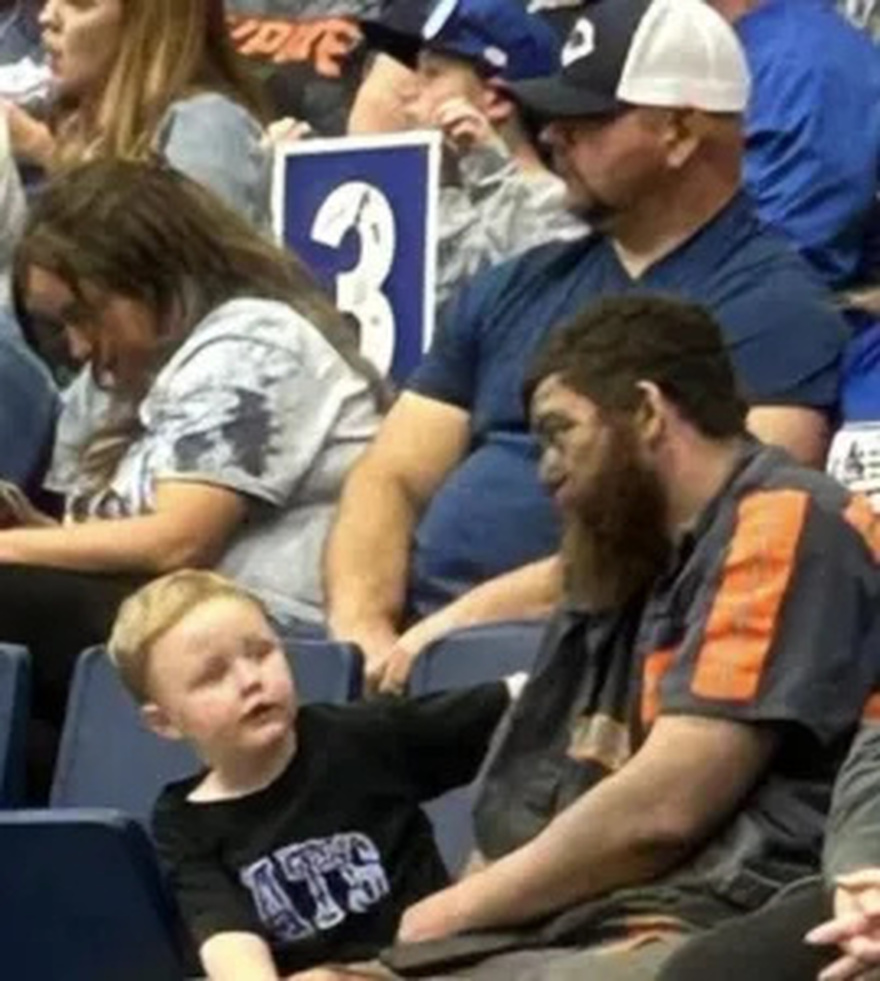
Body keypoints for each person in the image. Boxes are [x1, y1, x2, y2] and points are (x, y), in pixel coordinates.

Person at [349, 292, 880, 981]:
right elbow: (531, 790)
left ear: (649, 413)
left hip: (721, 909)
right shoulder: (625, 559)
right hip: (592, 915)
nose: (545, 468)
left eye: (558, 432)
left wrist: (449, 913)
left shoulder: (785, 520)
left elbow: (666, 807)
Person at [324, 0, 851, 693]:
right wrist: (362, 630)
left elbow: (708, 532)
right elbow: (389, 474)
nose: (554, 140)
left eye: (586, 123)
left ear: (680, 131)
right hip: (419, 653)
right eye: (550, 119)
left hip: (592, 662)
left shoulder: (776, 309)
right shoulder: (517, 283)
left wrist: (452, 631)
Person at [3, 158, 384, 792]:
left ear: (149, 276)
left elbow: (180, 539)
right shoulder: (122, 382)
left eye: (82, 314)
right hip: (155, 623)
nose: (75, 347)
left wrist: (12, 549)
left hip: (259, 631)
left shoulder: (256, 341)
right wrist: (34, 530)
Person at [108, 569, 514, 979]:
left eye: (262, 652)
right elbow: (225, 935)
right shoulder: (182, 818)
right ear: (164, 723)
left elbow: (521, 700)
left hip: (420, 965)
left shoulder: (359, 735)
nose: (251, 680)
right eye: (213, 676)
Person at [354, 0, 585, 309]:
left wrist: (491, 170)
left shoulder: (563, 207)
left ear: (496, 98)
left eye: (432, 74)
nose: (408, 90)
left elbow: (541, 305)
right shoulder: (433, 199)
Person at [7, 0, 271, 228]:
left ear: (145, 29)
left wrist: (41, 149)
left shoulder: (207, 125)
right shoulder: (70, 118)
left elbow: (181, 268)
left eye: (80, 3)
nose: (47, 16)